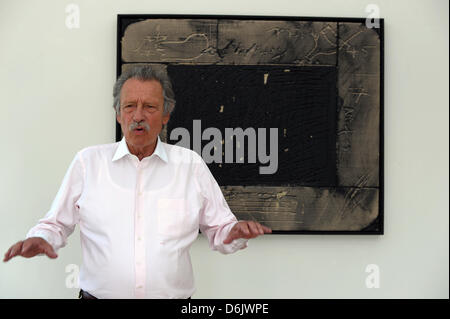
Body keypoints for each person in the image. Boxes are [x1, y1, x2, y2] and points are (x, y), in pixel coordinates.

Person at [3, 65, 272, 299]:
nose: (138, 116)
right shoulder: (88, 162)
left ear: (166, 115)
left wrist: (234, 232)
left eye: (150, 107)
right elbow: (55, 224)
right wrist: (39, 238)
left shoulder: (190, 165)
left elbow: (221, 230)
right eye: (130, 106)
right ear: (118, 114)